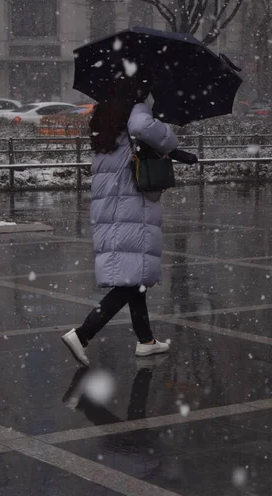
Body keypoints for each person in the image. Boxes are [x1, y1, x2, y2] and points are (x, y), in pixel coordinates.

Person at [62, 74, 179, 367]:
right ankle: (83, 334)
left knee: (134, 277)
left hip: (111, 205)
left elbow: (131, 147)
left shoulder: (106, 118)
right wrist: (167, 133)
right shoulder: (136, 112)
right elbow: (144, 128)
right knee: (129, 282)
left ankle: (146, 341)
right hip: (131, 205)